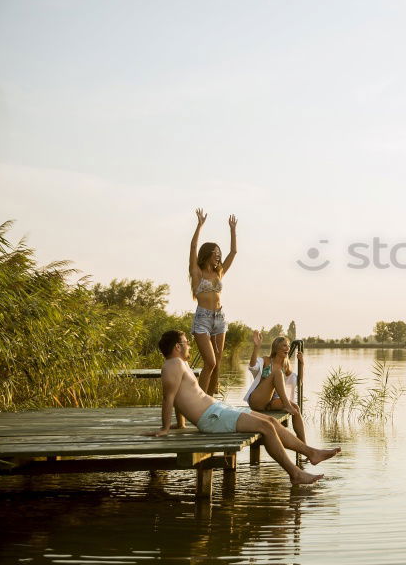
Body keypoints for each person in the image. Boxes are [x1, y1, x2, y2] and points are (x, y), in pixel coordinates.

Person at [144, 330, 340, 485]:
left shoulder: (180, 364)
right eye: (187, 342)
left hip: (218, 410)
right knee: (266, 428)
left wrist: (181, 423)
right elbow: (168, 397)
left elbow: (180, 397)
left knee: (270, 420)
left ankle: (311, 453)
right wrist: (165, 428)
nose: (189, 345)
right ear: (178, 346)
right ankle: (295, 473)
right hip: (212, 417)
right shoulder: (173, 364)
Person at [189, 208, 235, 396]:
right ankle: (198, 403)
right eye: (215, 252)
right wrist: (199, 225)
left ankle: (210, 400)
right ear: (207, 254)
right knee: (210, 363)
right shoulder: (197, 273)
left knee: (217, 361)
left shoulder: (219, 272)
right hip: (203, 319)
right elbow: (192, 248)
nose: (218, 255)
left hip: (220, 318)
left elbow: (234, 251)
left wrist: (232, 230)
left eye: (219, 252)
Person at [244, 331, 306, 440]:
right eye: (284, 345)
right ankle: (287, 405)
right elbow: (252, 366)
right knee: (277, 373)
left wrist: (301, 364)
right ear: (276, 348)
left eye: (288, 346)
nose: (287, 348)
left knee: (296, 408)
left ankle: (304, 446)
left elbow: (299, 382)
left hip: (271, 403)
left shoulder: (285, 366)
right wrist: (256, 346)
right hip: (258, 400)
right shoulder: (266, 360)